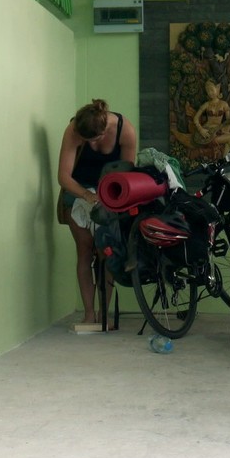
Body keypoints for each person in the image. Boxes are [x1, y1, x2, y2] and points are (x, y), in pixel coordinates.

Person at [57, 99, 137, 324]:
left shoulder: (125, 131)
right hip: (78, 190)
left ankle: (103, 313)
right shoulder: (74, 129)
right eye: (84, 140)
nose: (88, 144)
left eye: (91, 140)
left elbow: (127, 175)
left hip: (110, 191)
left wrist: (108, 200)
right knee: (84, 249)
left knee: (105, 251)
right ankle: (89, 313)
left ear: (103, 132)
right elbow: (63, 176)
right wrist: (86, 195)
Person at [191, 79, 230, 149]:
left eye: (211, 90)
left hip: (217, 131)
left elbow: (228, 121)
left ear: (218, 88)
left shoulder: (224, 104)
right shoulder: (206, 104)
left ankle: (227, 156)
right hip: (207, 134)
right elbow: (195, 118)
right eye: (208, 91)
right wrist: (201, 130)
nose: (210, 93)